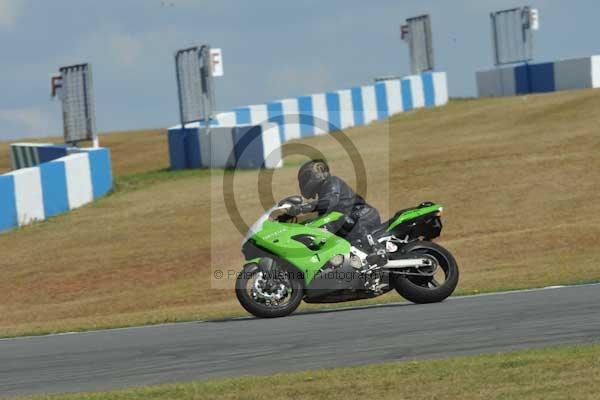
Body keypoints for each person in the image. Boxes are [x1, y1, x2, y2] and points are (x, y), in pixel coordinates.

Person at [289, 159, 383, 254]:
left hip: (363, 215)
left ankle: (376, 248)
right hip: (352, 219)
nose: (304, 182)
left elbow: (329, 202)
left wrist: (302, 208)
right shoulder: (322, 193)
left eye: (306, 178)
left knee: (340, 219)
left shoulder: (332, 182)